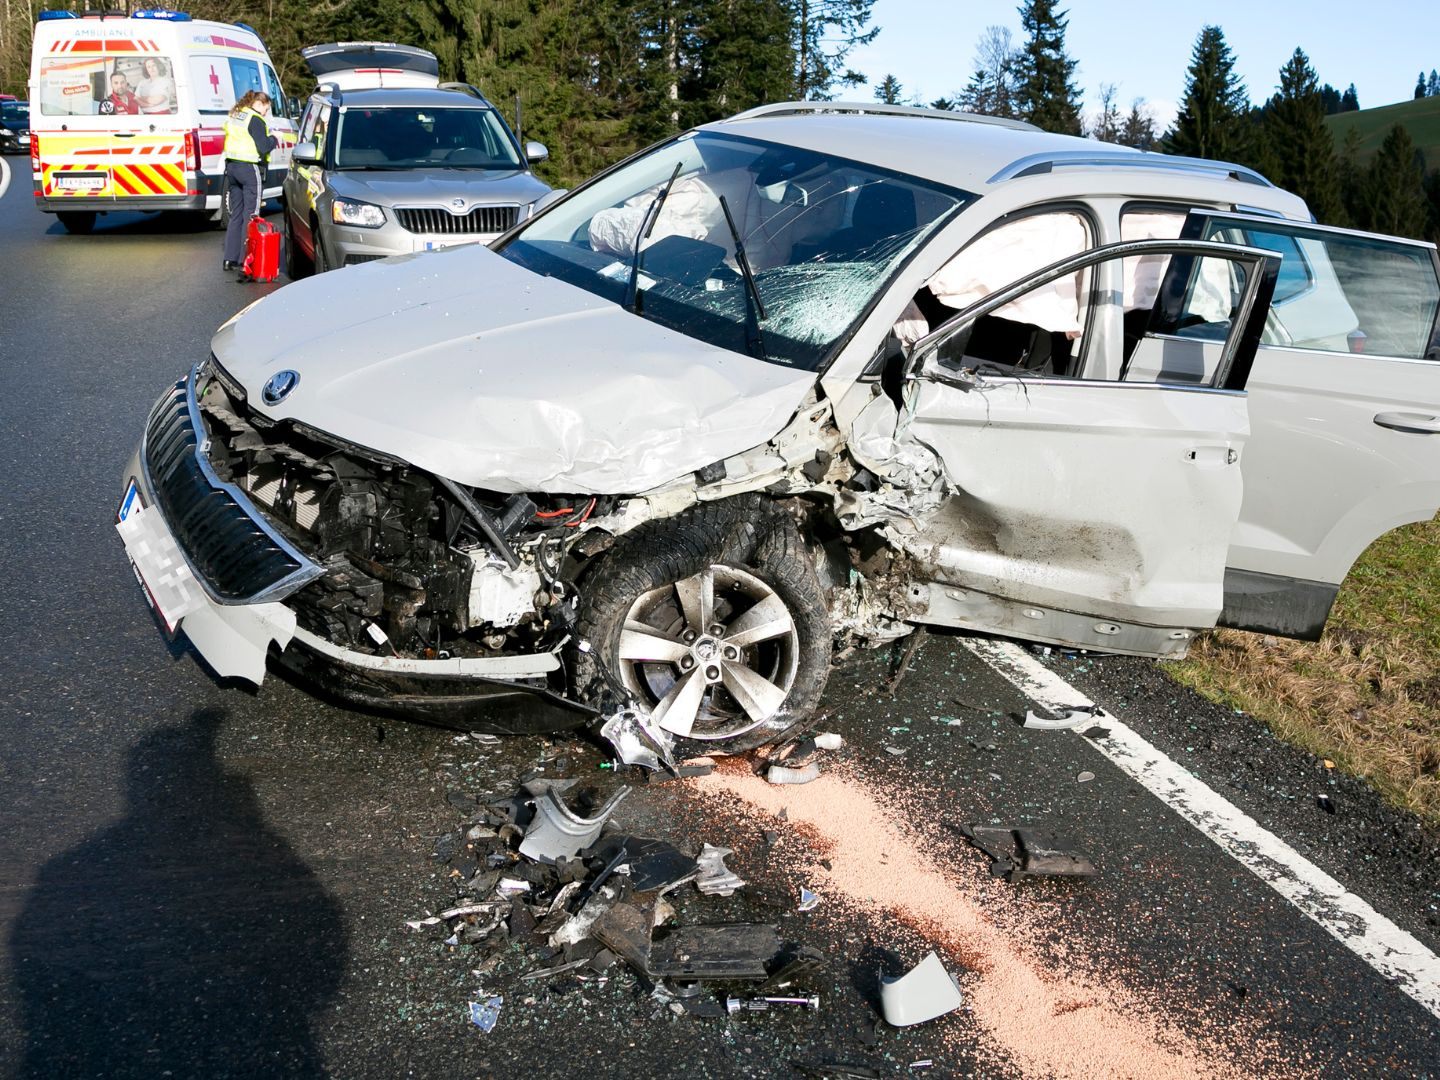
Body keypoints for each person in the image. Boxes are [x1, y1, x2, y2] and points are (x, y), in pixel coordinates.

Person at [221, 90, 276, 278]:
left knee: (236, 214)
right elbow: (264, 146)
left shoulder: (236, 114)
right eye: (266, 109)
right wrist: (274, 139)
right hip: (248, 169)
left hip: (232, 168)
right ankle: (249, 258)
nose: (266, 114)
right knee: (251, 215)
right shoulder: (255, 119)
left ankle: (230, 258)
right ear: (259, 104)